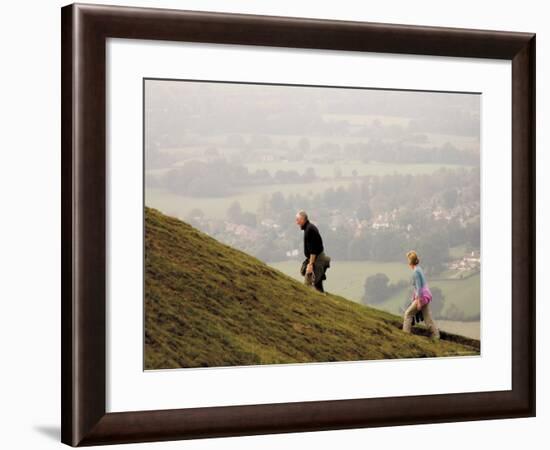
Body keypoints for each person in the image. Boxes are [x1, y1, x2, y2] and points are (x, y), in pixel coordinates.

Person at [402, 250, 440, 340]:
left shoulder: (415, 272)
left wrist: (418, 301)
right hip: (426, 295)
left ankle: (405, 335)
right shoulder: (419, 268)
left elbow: (418, 288)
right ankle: (436, 335)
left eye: (408, 260)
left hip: (422, 297)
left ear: (410, 262)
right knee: (427, 317)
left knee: (408, 314)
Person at [295, 210, 330, 293]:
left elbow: (313, 250)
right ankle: (319, 296)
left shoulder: (309, 230)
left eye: (298, 220)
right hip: (316, 258)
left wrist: (310, 264)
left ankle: (317, 298)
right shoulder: (308, 228)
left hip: (317, 259)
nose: (296, 222)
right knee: (312, 278)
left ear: (303, 219)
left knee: (309, 283)